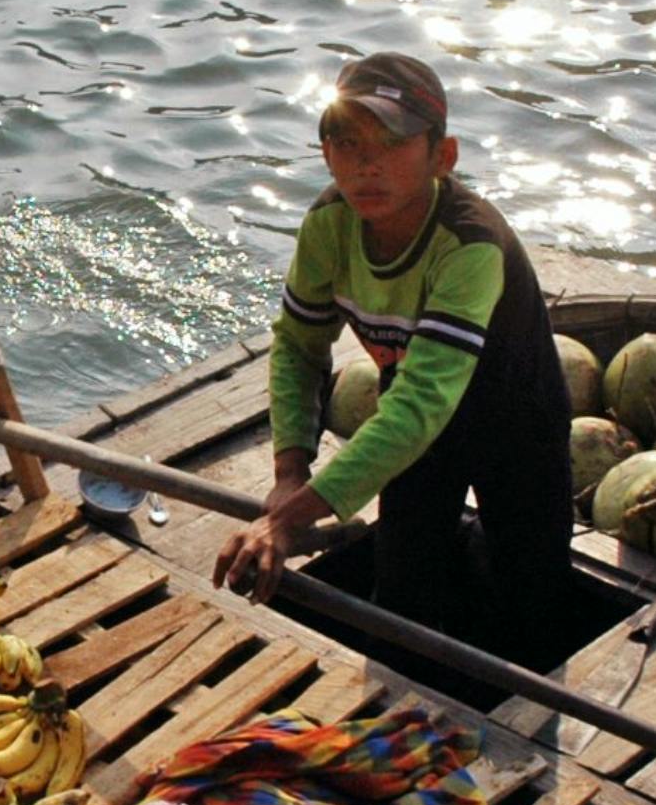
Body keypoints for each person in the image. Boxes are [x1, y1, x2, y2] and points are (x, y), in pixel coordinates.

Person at [212, 54, 580, 665]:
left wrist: (286, 522)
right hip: (414, 430)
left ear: (443, 157)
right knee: (402, 595)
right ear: (325, 154)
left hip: (515, 425)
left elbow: (421, 404)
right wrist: (289, 473)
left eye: (392, 143)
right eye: (347, 142)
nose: (367, 164)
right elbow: (300, 349)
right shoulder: (328, 224)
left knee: (531, 603)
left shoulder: (470, 244)